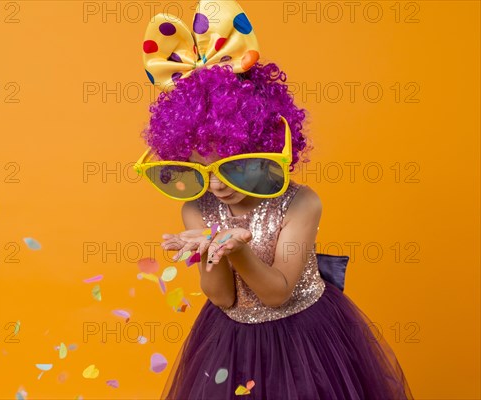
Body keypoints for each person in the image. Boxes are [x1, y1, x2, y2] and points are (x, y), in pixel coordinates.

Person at [135, 1, 414, 398]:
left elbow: (277, 293)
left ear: (261, 147)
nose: (216, 185)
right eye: (201, 168)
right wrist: (209, 253)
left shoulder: (300, 202)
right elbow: (221, 296)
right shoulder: (196, 208)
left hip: (305, 339)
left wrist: (233, 246)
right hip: (231, 340)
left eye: (232, 165)